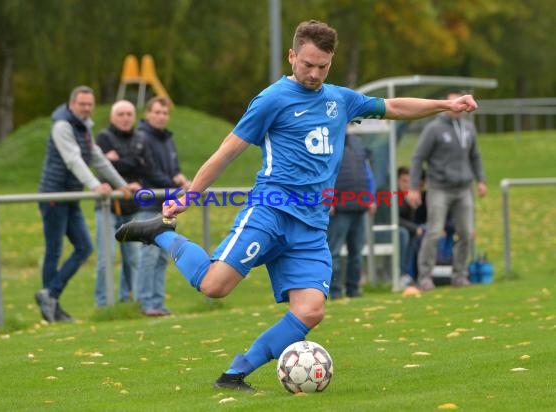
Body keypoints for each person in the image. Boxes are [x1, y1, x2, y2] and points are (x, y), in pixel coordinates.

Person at [115, 20, 479, 391]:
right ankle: (162, 234)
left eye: (323, 66)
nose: (314, 74)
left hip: (311, 225)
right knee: (214, 286)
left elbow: (394, 106)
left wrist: (445, 105)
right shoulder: (272, 99)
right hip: (270, 211)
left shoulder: (340, 99)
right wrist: (190, 195)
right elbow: (228, 151)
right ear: (292, 56)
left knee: (311, 310)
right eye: (307, 64)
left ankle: (234, 374)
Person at [36, 86, 130, 322]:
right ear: (71, 104)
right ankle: (51, 309)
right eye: (82, 104)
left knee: (84, 247)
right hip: (54, 197)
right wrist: (95, 186)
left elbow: (97, 158)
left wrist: (122, 185)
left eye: (90, 104)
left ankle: (50, 295)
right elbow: (73, 160)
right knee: (54, 250)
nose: (87, 108)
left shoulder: (84, 127)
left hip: (71, 197)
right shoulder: (62, 126)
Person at [408, 89, 487, 292]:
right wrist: (414, 187)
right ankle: (425, 277)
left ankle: (459, 275)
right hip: (439, 188)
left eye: (461, 103)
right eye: (454, 103)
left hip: (463, 189)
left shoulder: (468, 128)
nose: (458, 107)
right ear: (446, 104)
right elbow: (418, 158)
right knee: (434, 232)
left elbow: (475, 156)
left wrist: (481, 180)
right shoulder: (434, 129)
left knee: (467, 234)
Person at [135, 96, 191, 316]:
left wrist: (179, 178)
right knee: (148, 255)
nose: (161, 116)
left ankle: (157, 303)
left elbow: (173, 168)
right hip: (149, 203)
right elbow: (148, 171)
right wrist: (173, 182)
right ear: (147, 114)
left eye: (164, 113)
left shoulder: (167, 139)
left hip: (166, 205)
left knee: (161, 256)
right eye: (156, 112)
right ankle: (144, 303)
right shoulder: (142, 138)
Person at [94, 100, 145, 307]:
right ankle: (103, 304)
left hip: (131, 207)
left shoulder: (140, 138)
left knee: (132, 257)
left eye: (129, 114)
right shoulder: (103, 138)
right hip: (107, 206)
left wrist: (116, 161)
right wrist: (128, 163)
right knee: (107, 257)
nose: (125, 118)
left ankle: (127, 300)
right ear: (112, 117)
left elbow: (143, 166)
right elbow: (102, 168)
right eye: (120, 114)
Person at [327, 131, 376, 299]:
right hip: (339, 208)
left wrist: (371, 198)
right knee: (334, 252)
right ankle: (334, 291)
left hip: (360, 206)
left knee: (356, 253)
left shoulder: (357, 142)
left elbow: (367, 172)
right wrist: (328, 200)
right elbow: (324, 173)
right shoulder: (328, 140)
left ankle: (353, 290)